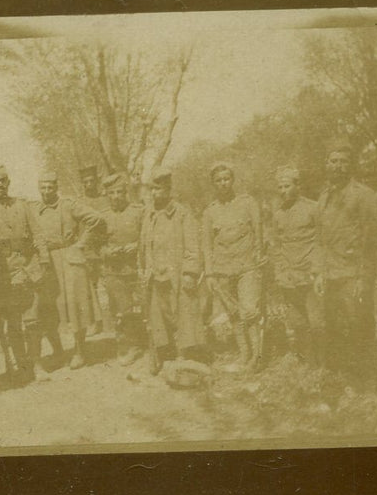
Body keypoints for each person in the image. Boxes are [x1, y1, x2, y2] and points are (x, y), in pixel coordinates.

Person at [314, 141, 377, 383]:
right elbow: (321, 240)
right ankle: (341, 379)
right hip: (331, 274)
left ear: (351, 165)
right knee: (334, 329)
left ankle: (368, 383)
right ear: (326, 165)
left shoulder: (364, 195)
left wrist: (364, 279)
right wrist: (320, 274)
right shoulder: (324, 197)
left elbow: (371, 242)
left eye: (343, 161)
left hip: (353, 274)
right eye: (333, 161)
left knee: (360, 327)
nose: (338, 166)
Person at [0, 165, 50, 382]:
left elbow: (38, 233)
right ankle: (21, 366)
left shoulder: (22, 205)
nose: (0, 185)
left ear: (9, 182)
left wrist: (44, 258)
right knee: (13, 323)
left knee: (33, 320)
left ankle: (37, 365)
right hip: (3, 273)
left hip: (28, 267)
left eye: (3, 180)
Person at [33, 170, 106, 369]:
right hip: (48, 262)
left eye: (50, 187)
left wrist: (81, 243)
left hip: (70, 259)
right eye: (43, 187)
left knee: (75, 307)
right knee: (51, 308)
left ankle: (80, 351)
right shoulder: (35, 209)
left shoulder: (68, 205)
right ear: (39, 189)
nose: (47, 191)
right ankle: (58, 351)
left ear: (56, 188)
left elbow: (96, 218)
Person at [138, 165, 204, 376]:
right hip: (155, 274)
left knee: (184, 312)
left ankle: (186, 353)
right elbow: (143, 245)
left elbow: (193, 247)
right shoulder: (149, 215)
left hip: (177, 274)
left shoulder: (182, 213)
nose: (153, 193)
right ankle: (162, 352)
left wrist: (189, 273)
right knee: (156, 315)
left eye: (157, 189)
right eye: (151, 189)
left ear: (168, 189)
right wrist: (143, 268)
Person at [200, 161, 265, 372]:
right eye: (218, 180)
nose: (223, 183)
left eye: (226, 179)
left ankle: (256, 357)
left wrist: (258, 259)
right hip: (222, 270)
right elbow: (207, 246)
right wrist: (209, 274)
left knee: (250, 311)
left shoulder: (247, 203)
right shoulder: (210, 212)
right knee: (234, 313)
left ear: (233, 180)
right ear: (213, 184)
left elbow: (259, 231)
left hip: (247, 267)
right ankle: (244, 354)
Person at [267, 165, 323, 365]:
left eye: (287, 186)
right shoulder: (278, 214)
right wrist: (280, 272)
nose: (283, 191)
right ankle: (307, 364)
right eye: (280, 187)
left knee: (317, 322)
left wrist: (317, 270)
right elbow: (277, 245)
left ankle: (324, 364)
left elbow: (321, 241)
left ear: (297, 186)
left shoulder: (313, 208)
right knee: (298, 323)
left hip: (310, 275)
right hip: (289, 278)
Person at [98, 172, 146, 366]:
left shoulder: (138, 211)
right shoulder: (102, 217)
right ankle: (127, 346)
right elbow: (94, 245)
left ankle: (146, 343)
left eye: (119, 192)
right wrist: (107, 251)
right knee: (121, 311)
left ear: (125, 193)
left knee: (143, 307)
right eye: (112, 193)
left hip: (135, 268)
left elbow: (148, 236)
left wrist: (136, 246)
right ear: (107, 195)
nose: (116, 196)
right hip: (114, 271)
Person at [76, 162, 110, 336]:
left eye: (91, 181)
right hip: (88, 251)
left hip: (105, 248)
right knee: (91, 288)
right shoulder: (78, 202)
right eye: (85, 182)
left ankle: (113, 320)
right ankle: (96, 322)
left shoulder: (106, 199)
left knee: (109, 284)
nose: (89, 185)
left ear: (97, 181)